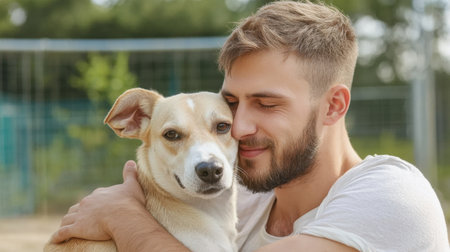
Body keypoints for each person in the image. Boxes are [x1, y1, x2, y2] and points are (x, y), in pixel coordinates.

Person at [50, 1, 449, 251]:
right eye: (233, 104)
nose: (238, 127)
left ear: (333, 106)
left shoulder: (391, 196)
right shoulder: (240, 198)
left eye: (267, 103)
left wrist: (122, 217)